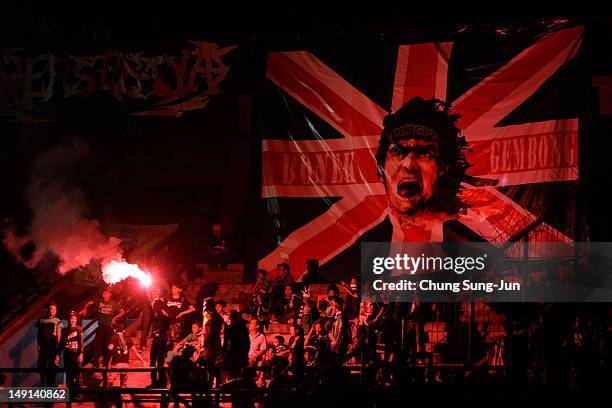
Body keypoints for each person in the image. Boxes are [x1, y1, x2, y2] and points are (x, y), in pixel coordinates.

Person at [80, 286, 125, 367]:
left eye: (107, 294)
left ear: (110, 295)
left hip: (109, 327)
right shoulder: (99, 301)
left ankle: (105, 364)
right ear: (102, 294)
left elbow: (122, 311)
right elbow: (89, 302)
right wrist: (85, 309)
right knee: (96, 344)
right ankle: (96, 363)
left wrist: (114, 318)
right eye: (104, 294)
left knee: (108, 346)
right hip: (101, 327)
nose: (105, 295)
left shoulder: (113, 304)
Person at [107, 321, 147, 387]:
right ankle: (123, 393)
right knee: (123, 384)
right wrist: (143, 361)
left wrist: (108, 347)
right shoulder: (128, 339)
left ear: (115, 330)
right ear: (124, 330)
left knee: (110, 382)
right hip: (125, 365)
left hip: (116, 364)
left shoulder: (114, 337)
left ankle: (109, 396)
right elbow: (136, 352)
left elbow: (111, 347)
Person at [36, 302, 63, 386]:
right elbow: (39, 334)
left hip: (53, 347)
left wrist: (58, 352)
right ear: (47, 310)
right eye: (52, 309)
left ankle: (50, 387)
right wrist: (39, 345)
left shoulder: (57, 321)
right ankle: (42, 385)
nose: (53, 311)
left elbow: (59, 336)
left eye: (55, 309)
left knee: (52, 368)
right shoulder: (41, 320)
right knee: (42, 366)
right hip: (44, 347)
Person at [148, 295, 171, 387]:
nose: (153, 306)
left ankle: (161, 383)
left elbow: (165, 328)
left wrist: (156, 332)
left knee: (159, 362)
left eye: (154, 304)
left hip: (161, 341)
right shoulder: (156, 314)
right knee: (153, 362)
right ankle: (155, 382)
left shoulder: (164, 316)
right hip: (156, 341)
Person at [59, 311, 83, 388]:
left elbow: (81, 342)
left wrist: (81, 353)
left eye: (73, 319)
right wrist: (57, 354)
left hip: (76, 355)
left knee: (78, 375)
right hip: (67, 355)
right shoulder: (64, 330)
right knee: (69, 376)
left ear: (76, 320)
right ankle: (70, 396)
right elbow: (61, 343)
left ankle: (79, 397)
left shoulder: (78, 329)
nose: (71, 320)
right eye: (70, 319)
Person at [202, 299, 223, 387]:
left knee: (212, 364)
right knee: (210, 364)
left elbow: (211, 333)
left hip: (212, 345)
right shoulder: (211, 317)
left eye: (205, 305)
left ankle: (214, 383)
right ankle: (215, 382)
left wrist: (205, 342)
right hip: (210, 345)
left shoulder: (214, 318)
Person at [223, 310, 250, 379]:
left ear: (230, 317)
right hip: (240, 353)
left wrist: (224, 352)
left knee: (233, 373)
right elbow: (247, 340)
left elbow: (226, 342)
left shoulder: (229, 328)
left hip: (233, 353)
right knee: (240, 373)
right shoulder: (243, 327)